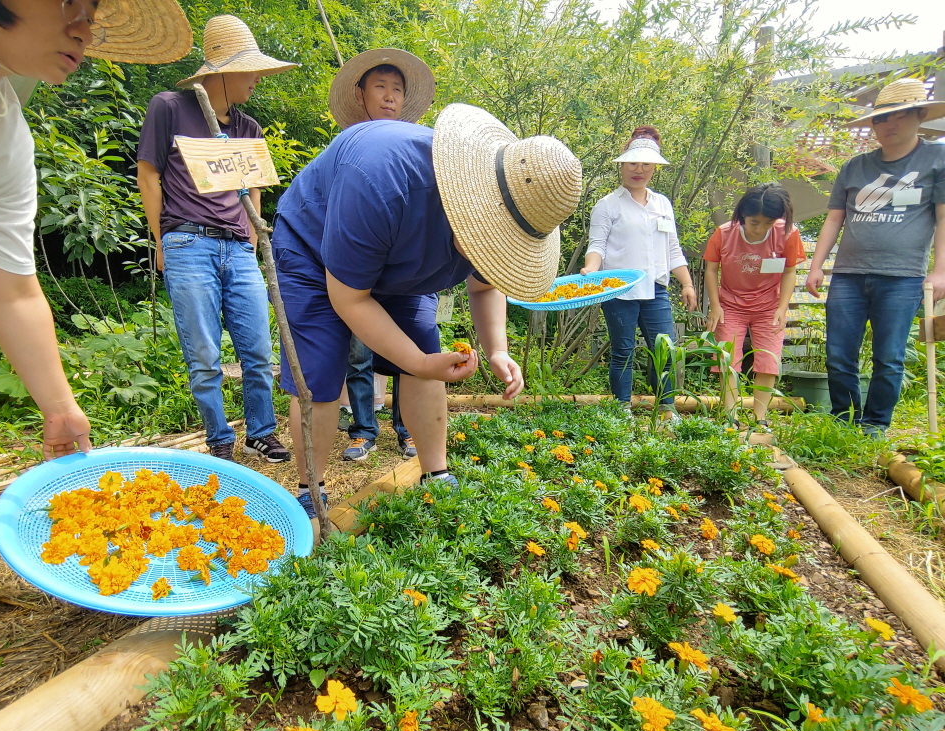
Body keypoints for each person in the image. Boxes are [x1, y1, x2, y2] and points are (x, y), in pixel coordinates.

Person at [0, 0, 190, 684]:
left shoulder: (2, 135)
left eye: (94, 11)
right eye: (71, 4)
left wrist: (60, 408)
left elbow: (13, 289)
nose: (88, 27)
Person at [271, 104, 582, 517]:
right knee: (320, 370)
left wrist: (497, 350)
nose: (490, 250)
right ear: (468, 206)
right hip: (315, 246)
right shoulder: (381, 182)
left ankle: (436, 473)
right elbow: (350, 299)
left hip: (400, 260)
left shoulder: (512, 205)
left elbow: (485, 285)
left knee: (424, 348)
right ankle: (312, 490)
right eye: (489, 239)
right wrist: (419, 362)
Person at [137, 15, 295, 464]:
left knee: (258, 351)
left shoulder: (249, 128)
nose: (258, 79)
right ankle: (219, 437)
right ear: (225, 70)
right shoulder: (169, 107)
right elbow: (148, 175)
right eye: (251, 71)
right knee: (204, 353)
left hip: (238, 247)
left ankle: (260, 432)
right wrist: (161, 241)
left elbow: (255, 186)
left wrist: (251, 238)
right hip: (187, 243)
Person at [806, 78, 945, 437]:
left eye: (899, 116)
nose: (889, 125)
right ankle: (844, 420)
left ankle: (875, 424)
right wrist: (817, 265)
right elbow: (834, 217)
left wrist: (940, 270)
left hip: (903, 277)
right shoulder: (855, 166)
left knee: (890, 357)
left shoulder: (937, 160)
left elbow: (943, 216)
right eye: (881, 119)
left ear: (918, 115)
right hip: (849, 275)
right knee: (838, 354)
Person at [327, 48, 436, 462]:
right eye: (380, 87)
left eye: (396, 89)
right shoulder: (347, 146)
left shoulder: (420, 148)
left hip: (408, 272)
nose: (389, 96)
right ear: (360, 94)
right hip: (361, 269)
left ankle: (407, 430)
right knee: (360, 352)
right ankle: (362, 430)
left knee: (413, 348)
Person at [581, 127, 698, 416]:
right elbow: (597, 245)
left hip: (656, 289)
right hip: (618, 289)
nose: (639, 169)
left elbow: (672, 248)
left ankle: (666, 410)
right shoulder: (607, 205)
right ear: (623, 164)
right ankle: (622, 411)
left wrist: (686, 283)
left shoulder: (662, 204)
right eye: (633, 162)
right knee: (623, 351)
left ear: (655, 167)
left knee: (665, 351)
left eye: (646, 164)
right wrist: (590, 270)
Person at [705, 184, 804, 427]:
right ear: (741, 217)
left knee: (768, 361)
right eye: (754, 222)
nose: (760, 229)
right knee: (729, 360)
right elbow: (710, 268)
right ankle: (731, 416)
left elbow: (790, 271)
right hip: (730, 304)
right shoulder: (724, 233)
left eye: (768, 223)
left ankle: (760, 417)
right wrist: (715, 306)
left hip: (768, 305)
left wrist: (782, 308)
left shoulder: (788, 233)